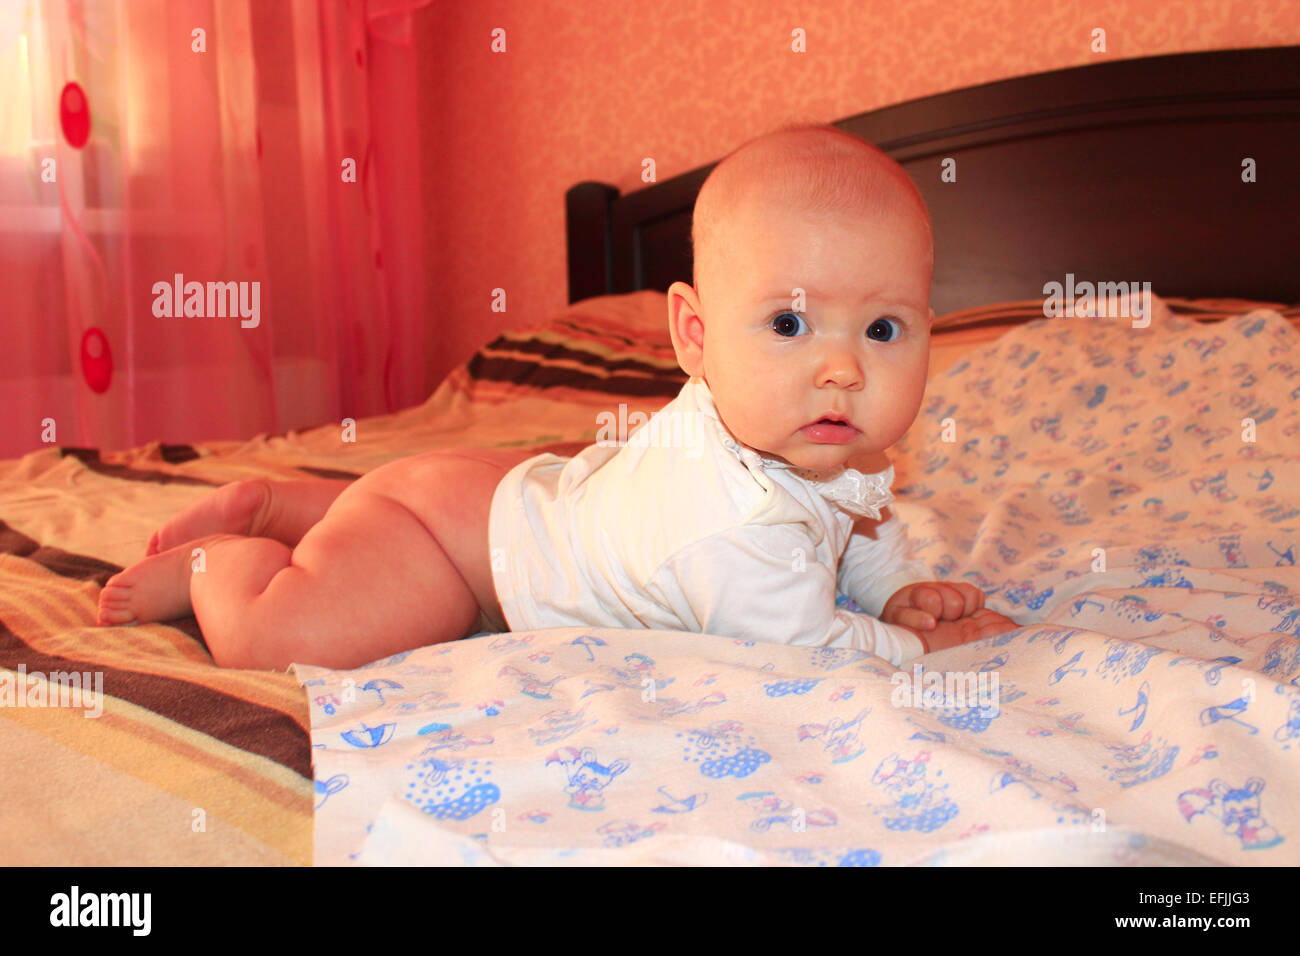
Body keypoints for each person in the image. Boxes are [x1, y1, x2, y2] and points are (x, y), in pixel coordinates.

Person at [97, 124, 1017, 669]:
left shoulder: (813, 435)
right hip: (459, 552)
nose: (842, 370)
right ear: (693, 336)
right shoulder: (729, 524)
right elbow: (808, 654)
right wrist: (921, 649)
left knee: (385, 519)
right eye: (788, 325)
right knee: (290, 636)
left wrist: (896, 590)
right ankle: (220, 563)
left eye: (884, 331)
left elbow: (856, 524)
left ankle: (314, 509)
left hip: (499, 494)